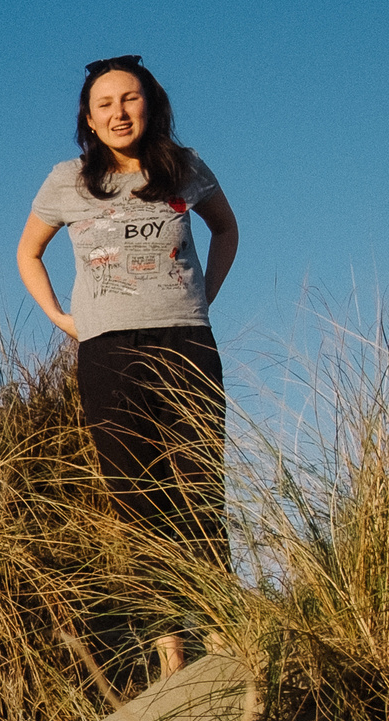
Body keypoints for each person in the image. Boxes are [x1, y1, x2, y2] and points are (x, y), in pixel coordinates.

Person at [14, 53, 240, 676]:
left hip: (186, 343)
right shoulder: (67, 180)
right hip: (107, 352)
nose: (119, 112)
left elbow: (227, 231)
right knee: (136, 495)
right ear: (88, 118)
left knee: (198, 486)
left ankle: (223, 638)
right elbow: (28, 253)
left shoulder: (184, 168)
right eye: (105, 104)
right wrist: (64, 318)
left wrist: (203, 295)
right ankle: (171, 651)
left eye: (130, 99)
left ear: (152, 103)